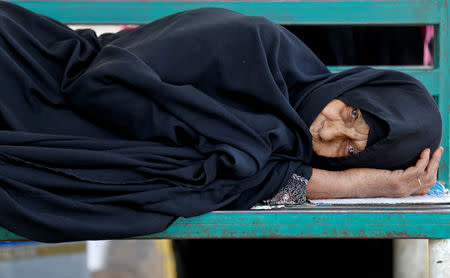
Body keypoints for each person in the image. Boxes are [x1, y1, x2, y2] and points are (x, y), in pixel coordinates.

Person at [0, 2, 442, 242]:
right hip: (33, 72)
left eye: (347, 150)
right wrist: (355, 184)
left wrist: (362, 185)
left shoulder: (278, 147)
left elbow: (235, 169)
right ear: (355, 87)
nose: (326, 132)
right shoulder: (259, 45)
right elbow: (104, 83)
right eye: (351, 113)